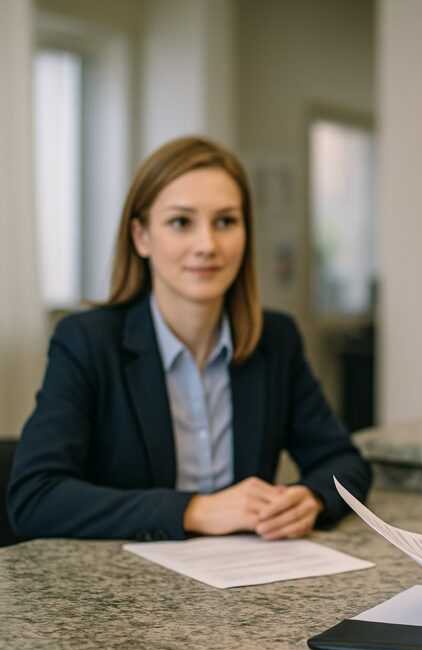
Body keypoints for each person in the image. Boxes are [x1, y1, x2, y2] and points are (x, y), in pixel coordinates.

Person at [8, 136, 372, 542]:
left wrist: (312, 498)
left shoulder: (275, 340)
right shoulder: (87, 342)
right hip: (126, 588)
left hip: (247, 581)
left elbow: (342, 461)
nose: (207, 245)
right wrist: (195, 510)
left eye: (226, 222)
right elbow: (35, 497)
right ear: (141, 237)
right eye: (182, 222)